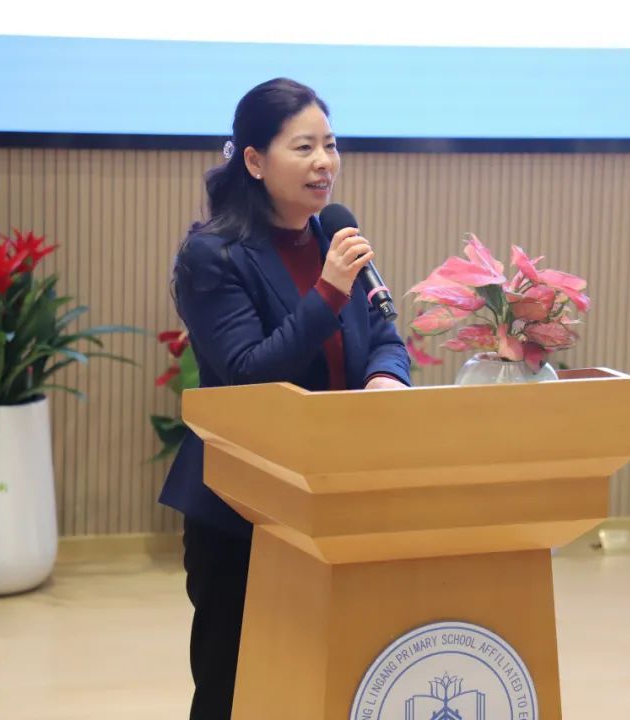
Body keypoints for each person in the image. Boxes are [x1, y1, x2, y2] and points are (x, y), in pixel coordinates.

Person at [159, 77, 412, 719]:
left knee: (332, 680)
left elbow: (384, 334)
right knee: (235, 689)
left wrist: (385, 377)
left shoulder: (332, 238)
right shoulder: (213, 256)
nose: (325, 162)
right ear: (254, 160)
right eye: (304, 147)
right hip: (245, 508)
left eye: (331, 144)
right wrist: (327, 292)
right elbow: (248, 373)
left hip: (334, 499)